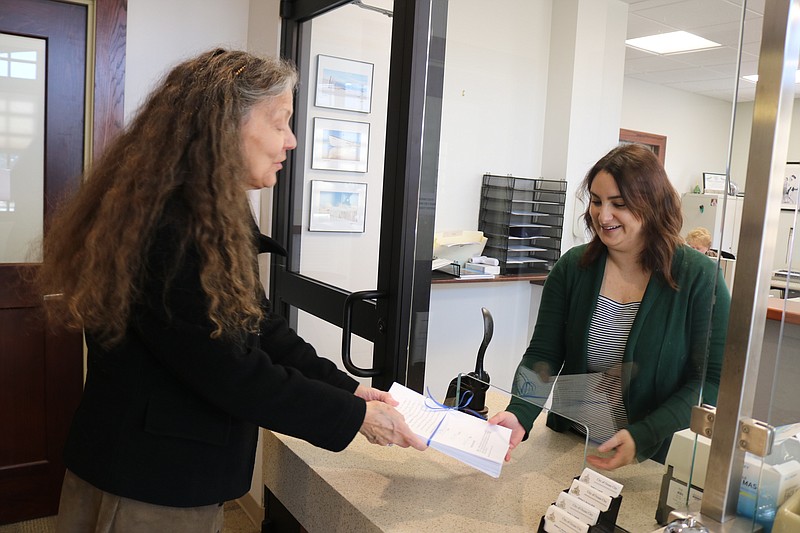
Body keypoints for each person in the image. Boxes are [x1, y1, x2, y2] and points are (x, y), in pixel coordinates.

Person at [37, 49, 426, 533]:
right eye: (280, 122)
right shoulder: (169, 226)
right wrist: (354, 417)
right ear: (224, 125)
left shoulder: (213, 209)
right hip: (147, 482)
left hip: (173, 475)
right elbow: (232, 372)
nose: (292, 140)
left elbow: (259, 326)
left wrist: (351, 389)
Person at [488, 144, 730, 471]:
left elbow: (711, 382)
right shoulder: (573, 268)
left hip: (653, 458)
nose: (602, 216)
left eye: (619, 204)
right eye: (596, 201)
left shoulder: (700, 277)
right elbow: (543, 354)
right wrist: (520, 412)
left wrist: (644, 434)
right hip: (574, 444)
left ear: (652, 205)